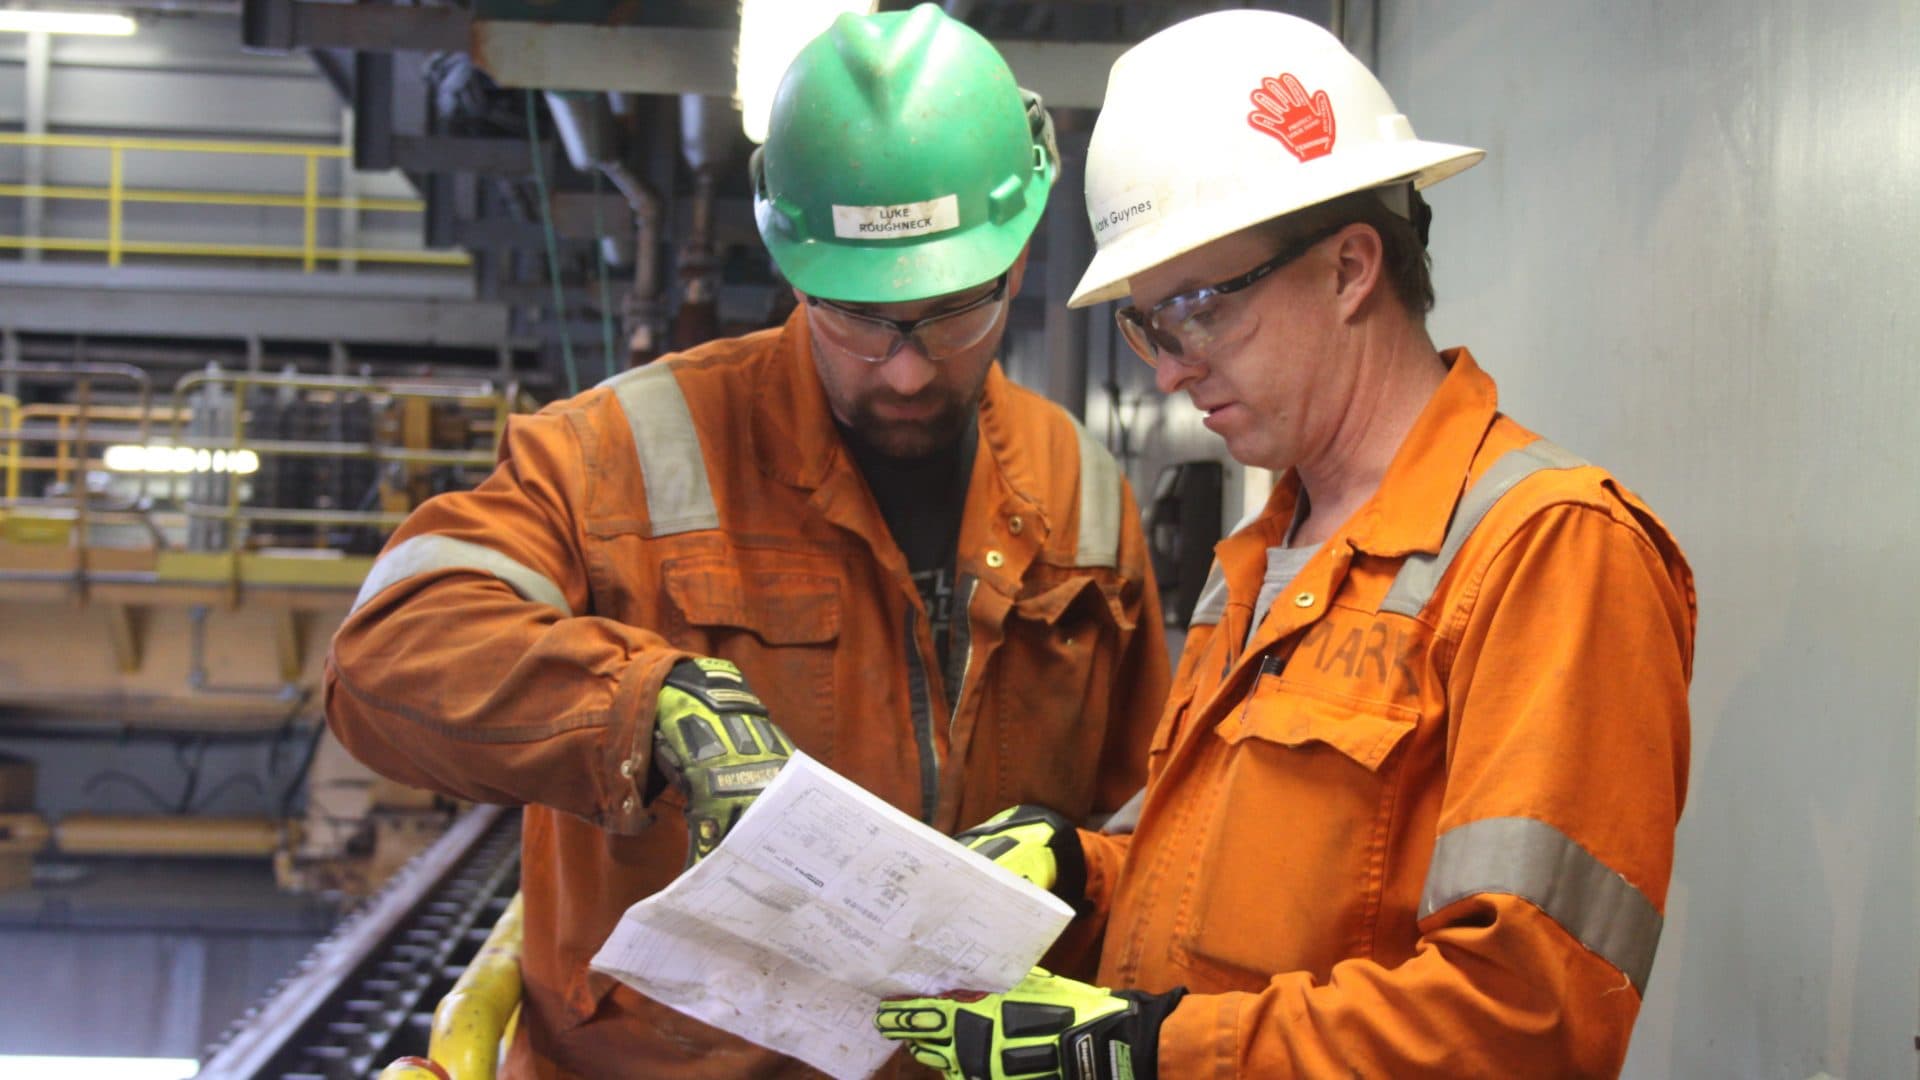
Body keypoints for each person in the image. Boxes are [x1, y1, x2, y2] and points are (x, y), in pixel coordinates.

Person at [325, 6, 1169, 1076]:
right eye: (856, 316)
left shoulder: (1080, 490)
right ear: (791, 268)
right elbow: (387, 655)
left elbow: (1145, 820)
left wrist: (1074, 863)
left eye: (958, 311)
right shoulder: (619, 450)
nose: (909, 368)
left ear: (1022, 254)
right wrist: (646, 708)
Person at [876, 10, 1695, 1078]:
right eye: (1147, 324)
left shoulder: (1550, 555)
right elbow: (1205, 898)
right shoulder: (1261, 562)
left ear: (1351, 268)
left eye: (1197, 309)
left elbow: (1525, 1020)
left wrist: (1149, 1054)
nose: (1169, 368)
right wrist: (1081, 869)